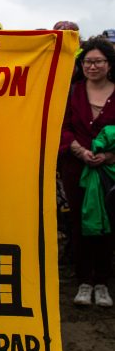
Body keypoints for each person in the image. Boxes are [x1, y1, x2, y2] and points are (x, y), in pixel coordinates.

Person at [59, 36, 115, 307]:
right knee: (79, 224)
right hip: (76, 168)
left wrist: (108, 155)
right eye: (87, 62)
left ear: (109, 64)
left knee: (108, 225)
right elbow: (63, 127)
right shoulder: (72, 92)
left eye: (98, 61)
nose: (92, 67)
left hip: (110, 171)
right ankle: (83, 281)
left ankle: (102, 282)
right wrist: (80, 150)